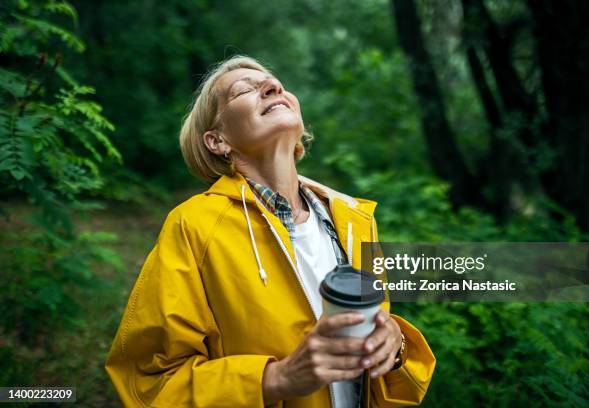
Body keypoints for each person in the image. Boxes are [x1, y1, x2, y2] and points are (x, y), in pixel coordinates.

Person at [105, 55, 436, 407]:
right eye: (242, 90)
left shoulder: (356, 221)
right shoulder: (194, 226)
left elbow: (381, 368)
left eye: (275, 83)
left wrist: (394, 348)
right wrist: (274, 379)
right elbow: (149, 382)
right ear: (217, 141)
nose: (272, 87)